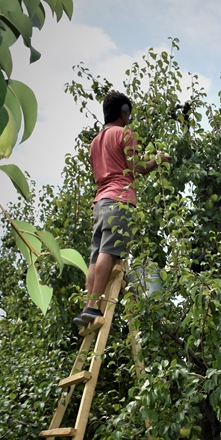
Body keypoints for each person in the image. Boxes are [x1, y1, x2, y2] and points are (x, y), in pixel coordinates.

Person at [73, 91, 170, 326]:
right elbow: (135, 167)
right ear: (123, 113)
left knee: (95, 255)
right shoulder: (125, 133)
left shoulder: (96, 141)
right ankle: (94, 306)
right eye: (129, 114)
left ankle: (88, 305)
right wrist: (158, 160)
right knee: (109, 251)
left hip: (100, 203)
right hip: (119, 199)